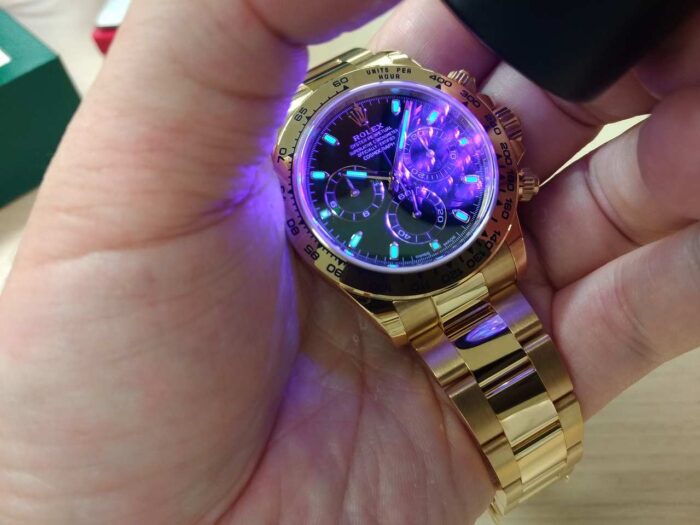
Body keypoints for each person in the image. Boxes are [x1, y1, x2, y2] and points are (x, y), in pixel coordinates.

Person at [0, 0, 698, 523]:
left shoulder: (472, 159)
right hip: (413, 272)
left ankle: (533, 459)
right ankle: (532, 460)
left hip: (463, 236)